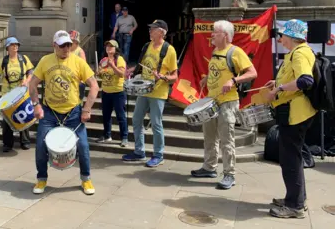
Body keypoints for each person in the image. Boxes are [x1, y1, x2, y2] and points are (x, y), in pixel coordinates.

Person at [29, 30, 99, 195]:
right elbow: (32, 85)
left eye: (68, 45)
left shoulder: (78, 62)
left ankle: (86, 178)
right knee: (40, 146)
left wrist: (87, 109)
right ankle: (41, 179)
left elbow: (94, 86)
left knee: (83, 145)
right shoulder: (45, 61)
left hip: (73, 113)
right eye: (62, 45)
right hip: (49, 112)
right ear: (54, 45)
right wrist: (36, 105)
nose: (66, 48)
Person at [190, 20, 257, 190]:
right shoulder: (215, 51)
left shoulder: (236, 52)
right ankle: (209, 167)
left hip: (227, 102)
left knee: (227, 139)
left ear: (225, 35)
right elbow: (217, 70)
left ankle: (229, 174)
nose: (211, 35)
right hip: (211, 101)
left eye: (215, 32)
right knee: (210, 136)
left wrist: (234, 80)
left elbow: (252, 72)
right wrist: (207, 78)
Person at [265, 20, 316, 219]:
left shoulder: (300, 52)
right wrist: (277, 82)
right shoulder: (297, 52)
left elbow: (305, 81)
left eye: (283, 35)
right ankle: (296, 199)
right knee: (292, 158)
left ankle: (294, 206)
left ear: (292, 37)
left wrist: (279, 89)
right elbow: (294, 77)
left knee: (290, 160)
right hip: (295, 112)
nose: (280, 38)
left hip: (296, 114)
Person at [122, 20, 178, 167]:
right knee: (136, 120)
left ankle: (158, 154)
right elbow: (143, 65)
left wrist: (164, 77)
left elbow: (175, 76)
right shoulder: (147, 46)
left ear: (161, 32)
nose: (150, 31)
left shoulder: (168, 49)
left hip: (158, 92)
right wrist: (132, 71)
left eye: (152, 29)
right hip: (144, 90)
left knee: (156, 124)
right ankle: (139, 151)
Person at [0, 37, 34, 152]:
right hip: (7, 94)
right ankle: (7, 143)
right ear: (7, 47)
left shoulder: (23, 59)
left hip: (21, 93)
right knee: (7, 119)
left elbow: (31, 72)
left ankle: (25, 141)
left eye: (17, 45)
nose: (15, 47)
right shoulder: (4, 61)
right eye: (13, 45)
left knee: (23, 117)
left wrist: (26, 81)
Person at [96, 40, 129, 147]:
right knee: (106, 115)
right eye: (107, 46)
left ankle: (124, 137)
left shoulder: (119, 59)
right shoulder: (103, 60)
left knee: (120, 115)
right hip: (106, 91)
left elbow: (121, 74)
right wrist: (99, 73)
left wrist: (113, 66)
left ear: (116, 49)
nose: (109, 48)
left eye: (111, 46)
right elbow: (102, 75)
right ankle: (107, 135)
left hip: (118, 92)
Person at [69, 30, 87, 102]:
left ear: (76, 42)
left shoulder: (80, 51)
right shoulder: (66, 50)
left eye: (71, 40)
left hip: (78, 82)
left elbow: (83, 67)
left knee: (77, 102)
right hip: (68, 81)